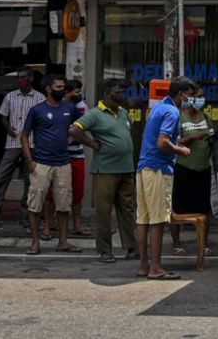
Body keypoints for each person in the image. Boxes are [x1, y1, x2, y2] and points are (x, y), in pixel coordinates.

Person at [71, 79, 137, 263]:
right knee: (104, 211)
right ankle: (105, 250)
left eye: (123, 92)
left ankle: (131, 247)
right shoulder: (94, 114)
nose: (121, 95)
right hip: (105, 170)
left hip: (126, 168)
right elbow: (75, 130)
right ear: (107, 93)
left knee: (127, 209)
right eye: (117, 92)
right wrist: (92, 144)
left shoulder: (123, 113)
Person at [135, 76, 195, 279]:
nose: (191, 99)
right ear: (181, 94)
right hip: (158, 168)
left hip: (144, 167)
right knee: (158, 220)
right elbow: (163, 142)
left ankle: (144, 265)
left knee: (143, 219)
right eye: (190, 95)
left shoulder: (158, 108)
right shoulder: (171, 112)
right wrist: (181, 149)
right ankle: (156, 268)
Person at [22, 74, 83, 256]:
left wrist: (71, 138)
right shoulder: (37, 110)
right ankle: (35, 242)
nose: (61, 90)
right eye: (57, 87)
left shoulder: (69, 108)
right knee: (35, 204)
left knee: (64, 204)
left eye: (63, 87)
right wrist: (29, 161)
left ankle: (63, 241)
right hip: (41, 163)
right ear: (48, 89)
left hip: (64, 163)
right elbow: (24, 135)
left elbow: (80, 126)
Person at [0, 67, 45, 229]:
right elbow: (3, 116)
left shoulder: (40, 98)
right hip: (12, 143)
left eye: (23, 77)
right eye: (18, 77)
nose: (19, 80)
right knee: (1, 178)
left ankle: (26, 216)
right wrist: (8, 129)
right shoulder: (10, 96)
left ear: (30, 78)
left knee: (30, 182)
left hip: (31, 144)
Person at [171, 85, 215, 255]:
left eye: (202, 96)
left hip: (203, 167)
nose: (200, 99)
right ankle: (176, 243)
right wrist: (192, 138)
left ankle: (203, 243)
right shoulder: (179, 118)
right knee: (178, 206)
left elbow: (211, 136)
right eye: (197, 96)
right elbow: (173, 142)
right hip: (184, 167)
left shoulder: (206, 117)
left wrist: (211, 141)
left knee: (203, 208)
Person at [64, 79, 90, 237]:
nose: (79, 95)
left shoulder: (82, 107)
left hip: (76, 153)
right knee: (53, 193)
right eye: (76, 92)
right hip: (58, 155)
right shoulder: (59, 105)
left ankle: (77, 224)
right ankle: (51, 223)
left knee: (77, 193)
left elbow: (81, 129)